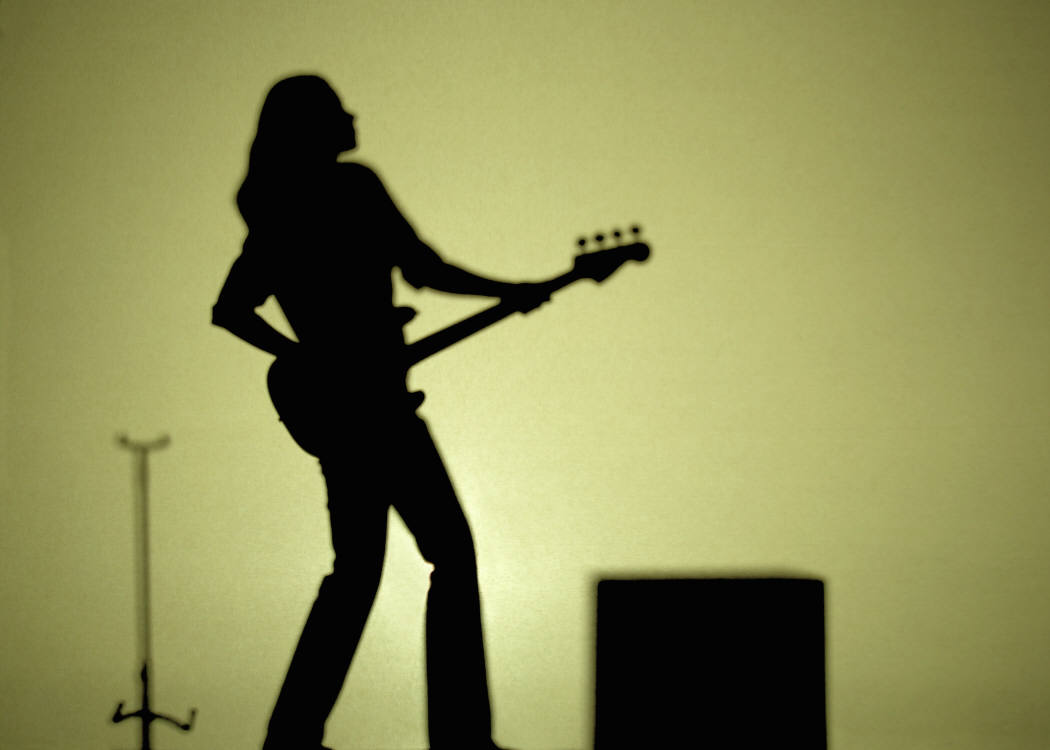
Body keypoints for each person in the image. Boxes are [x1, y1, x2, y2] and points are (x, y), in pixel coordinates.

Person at [212, 74, 543, 750]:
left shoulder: (282, 207)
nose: (353, 118)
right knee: (449, 555)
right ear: (314, 127)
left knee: (358, 573)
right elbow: (425, 268)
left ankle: (292, 734)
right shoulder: (349, 188)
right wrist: (508, 289)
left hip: (352, 412)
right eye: (339, 111)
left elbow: (232, 309)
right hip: (377, 415)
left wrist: (304, 356)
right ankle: (459, 738)